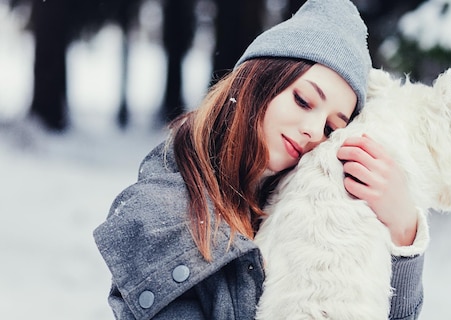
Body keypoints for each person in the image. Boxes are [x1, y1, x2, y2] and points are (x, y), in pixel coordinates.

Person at [93, 0, 429, 319]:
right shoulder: (159, 213)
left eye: (331, 127)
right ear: (260, 79)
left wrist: (402, 228)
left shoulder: (305, 210)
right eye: (303, 100)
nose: (313, 132)